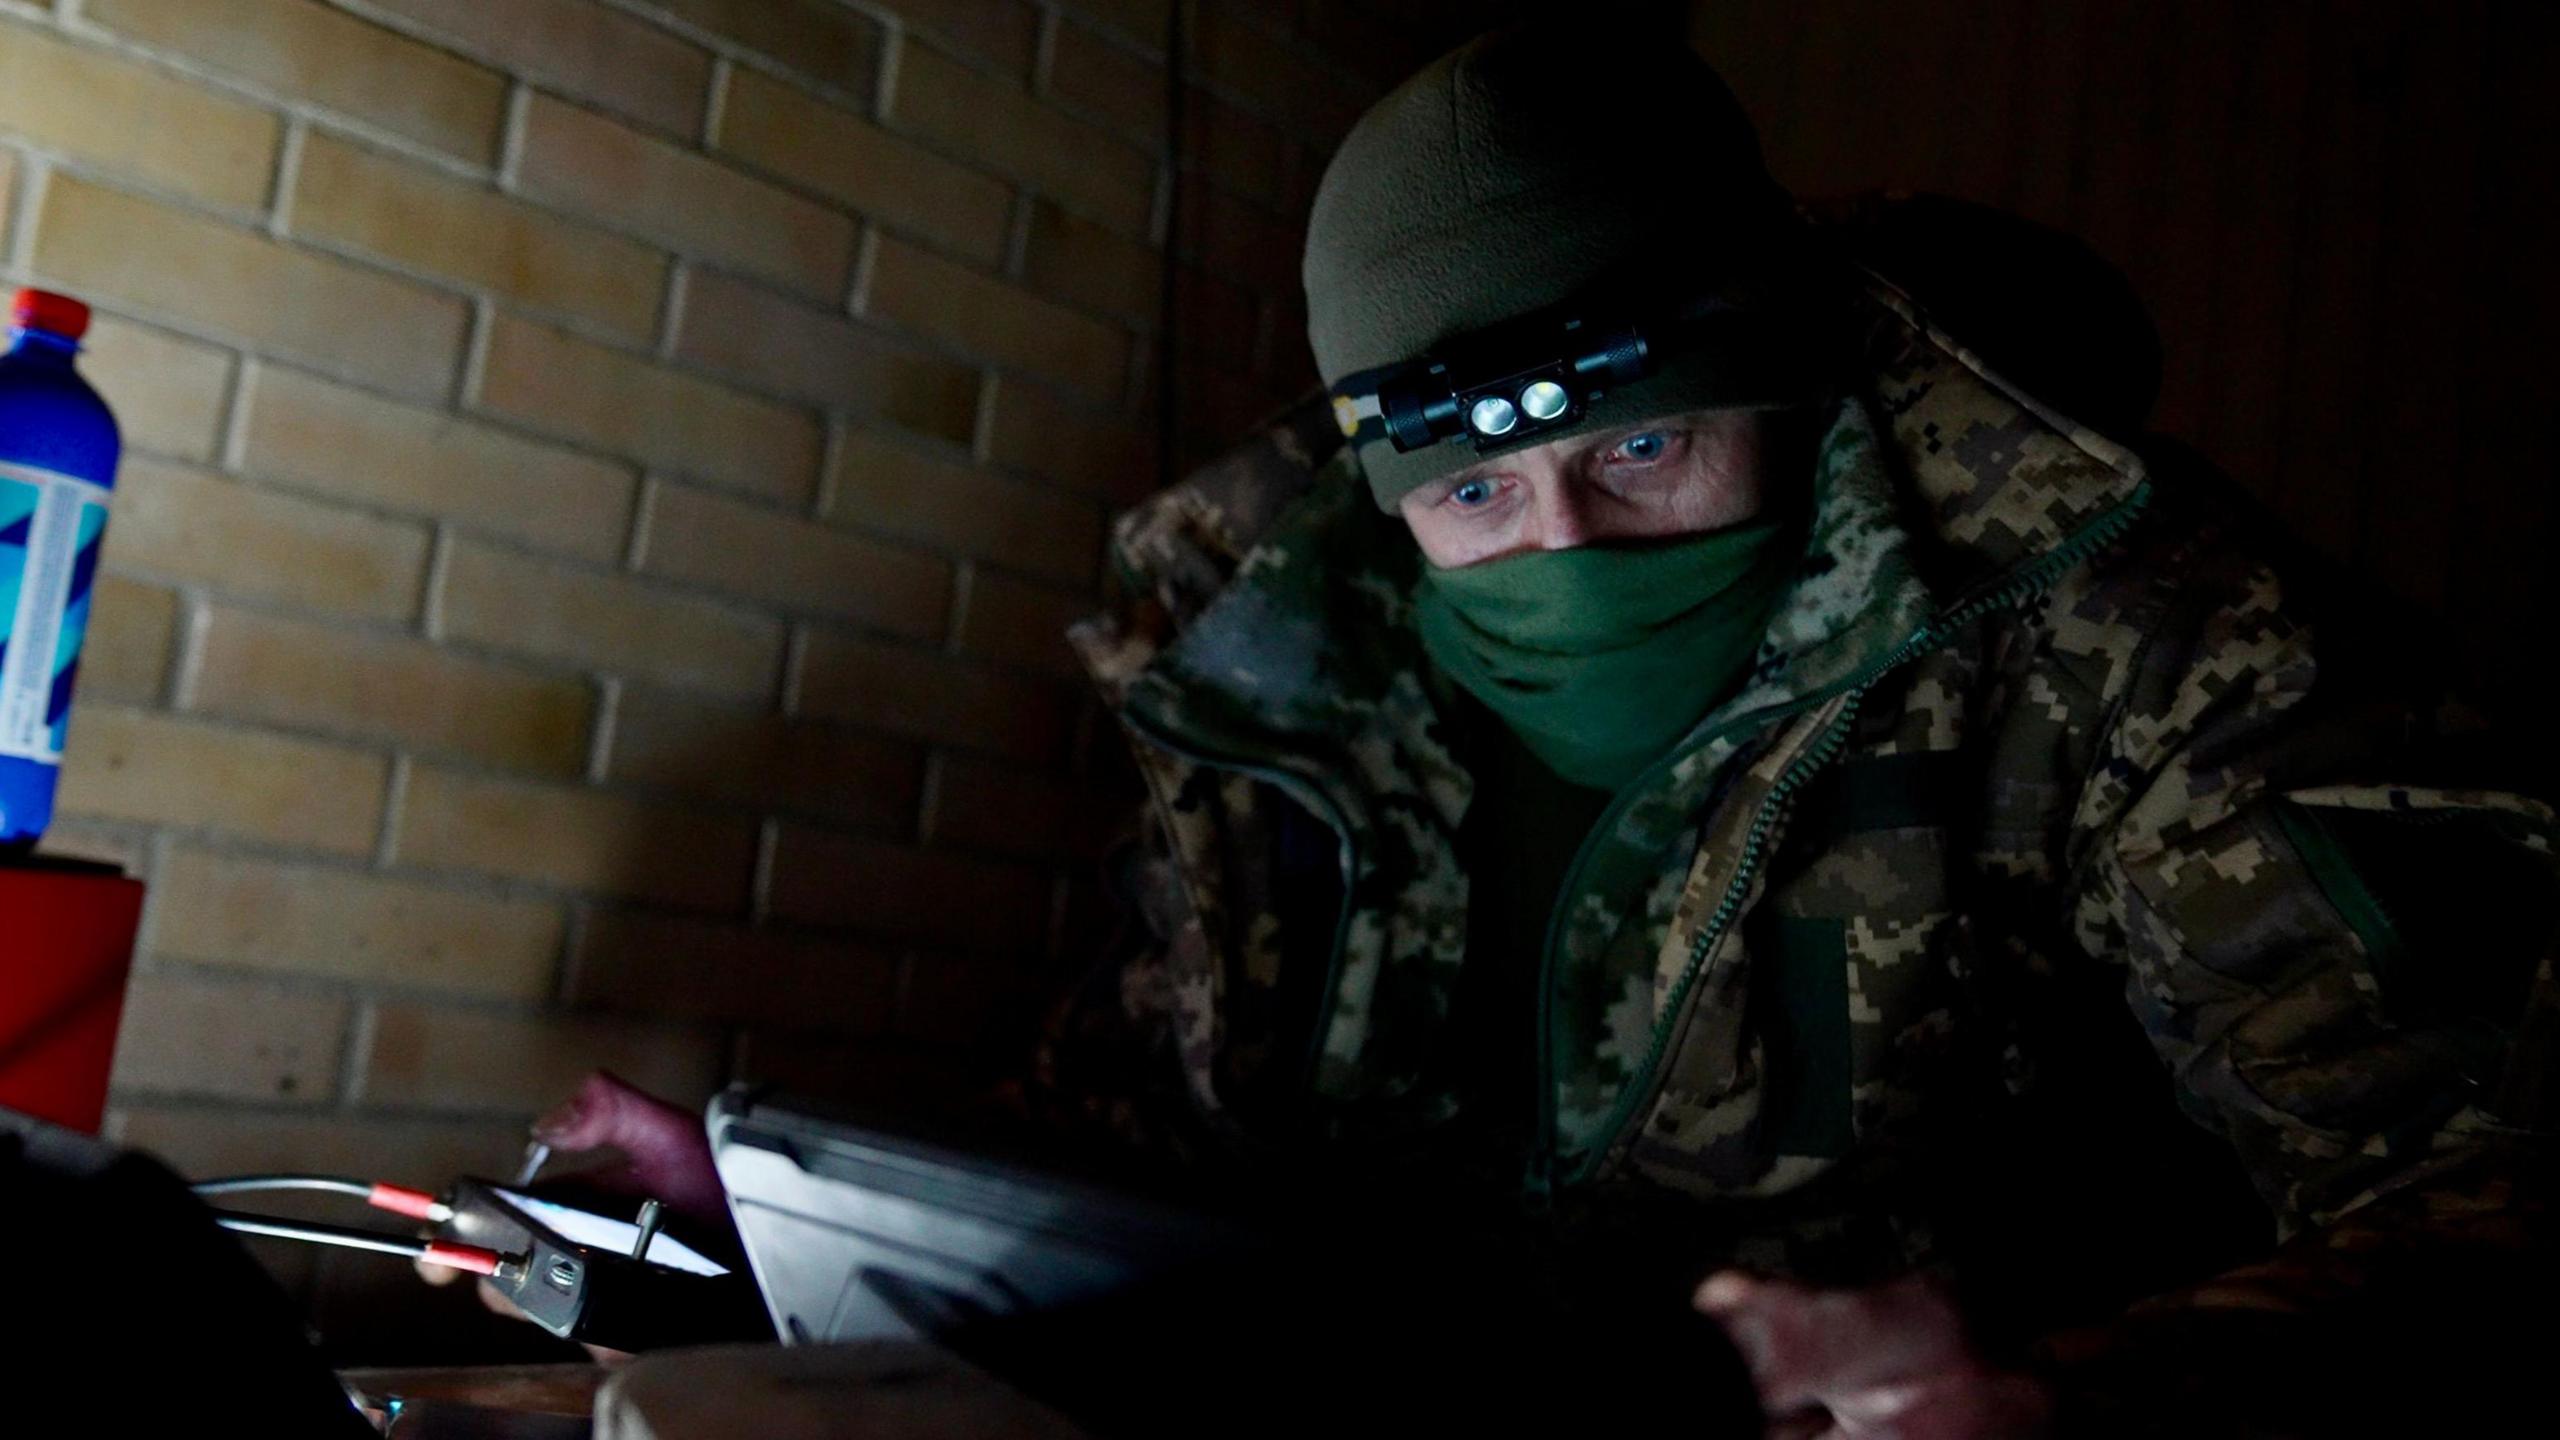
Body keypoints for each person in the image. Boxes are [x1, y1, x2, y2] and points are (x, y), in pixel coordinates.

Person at [498, 22, 2557, 1437]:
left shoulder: (2139, 635)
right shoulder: (1281, 694)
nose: (1561, 548)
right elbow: (1128, 1145)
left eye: (1644, 445)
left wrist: (2082, 1399)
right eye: (1476, 494)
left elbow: (2498, 1185)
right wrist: (776, 1201)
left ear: (1785, 392)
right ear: (1383, 501)